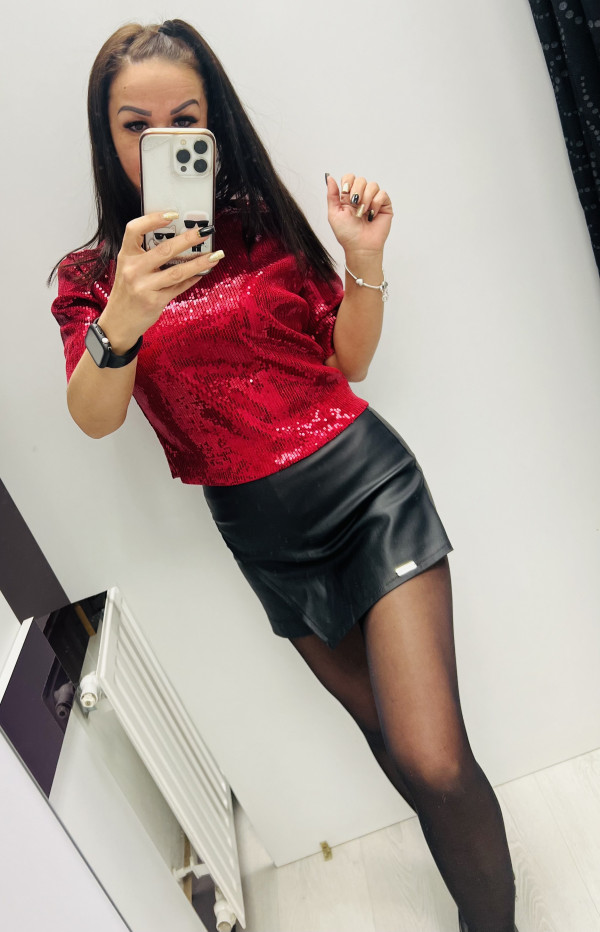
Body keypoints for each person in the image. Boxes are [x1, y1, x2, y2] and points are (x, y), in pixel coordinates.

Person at [49, 19, 518, 932]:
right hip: (265, 537)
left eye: (184, 119)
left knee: (434, 759)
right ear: (106, 136)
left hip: (367, 489)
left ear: (213, 122)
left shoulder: (259, 224)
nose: (162, 141)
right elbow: (94, 416)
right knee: (393, 745)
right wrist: (127, 311)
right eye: (136, 125)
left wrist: (364, 259)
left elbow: (349, 361)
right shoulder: (90, 280)